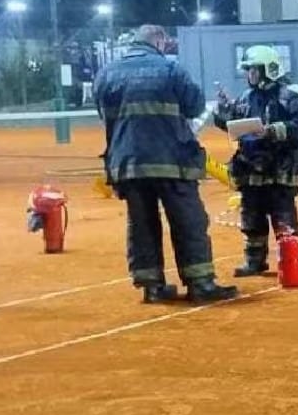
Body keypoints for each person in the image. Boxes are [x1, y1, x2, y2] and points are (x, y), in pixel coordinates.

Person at [92, 24, 238, 304]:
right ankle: (200, 283)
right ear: (158, 42)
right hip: (172, 161)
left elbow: (104, 115)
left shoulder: (106, 73)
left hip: (128, 163)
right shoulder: (171, 69)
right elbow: (195, 106)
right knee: (188, 221)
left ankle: (152, 287)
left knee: (141, 225)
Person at [213, 45, 298, 277]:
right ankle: (254, 261)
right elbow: (231, 124)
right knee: (252, 219)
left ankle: (294, 263)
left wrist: (272, 131)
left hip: (279, 170)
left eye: (253, 70)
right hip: (250, 170)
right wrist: (223, 110)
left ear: (268, 70)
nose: (249, 75)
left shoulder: (288, 97)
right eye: (248, 70)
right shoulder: (245, 98)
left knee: (284, 220)